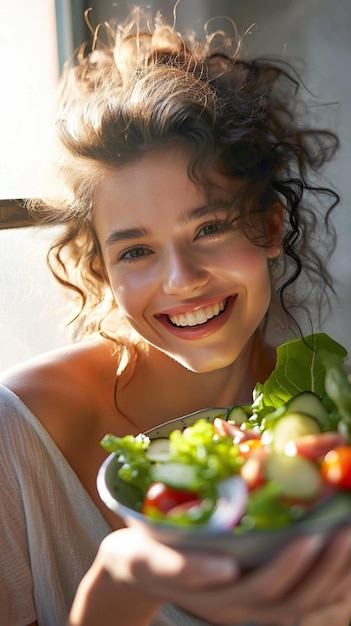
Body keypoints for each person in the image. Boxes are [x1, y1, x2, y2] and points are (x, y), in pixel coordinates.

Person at [1, 6, 351, 626]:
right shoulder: (16, 434)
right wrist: (114, 593)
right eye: (135, 250)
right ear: (102, 268)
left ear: (271, 225)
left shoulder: (330, 434)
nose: (181, 280)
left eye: (209, 228)